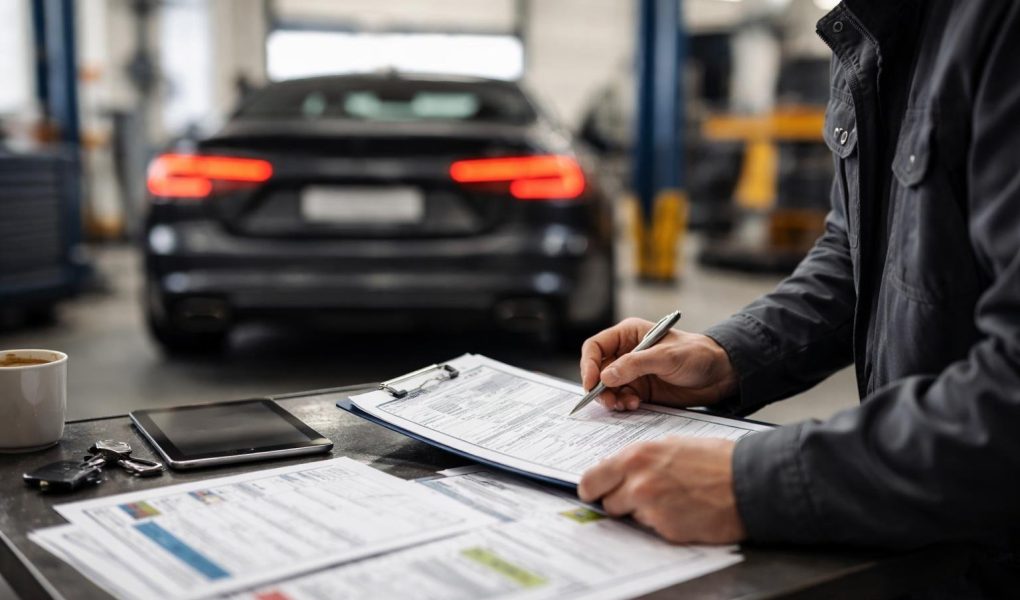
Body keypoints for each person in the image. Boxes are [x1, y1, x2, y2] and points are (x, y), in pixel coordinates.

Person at [577, 0, 1020, 593]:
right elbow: (858, 251)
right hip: (938, 539)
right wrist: (727, 355)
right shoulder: (869, 28)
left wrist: (757, 484)